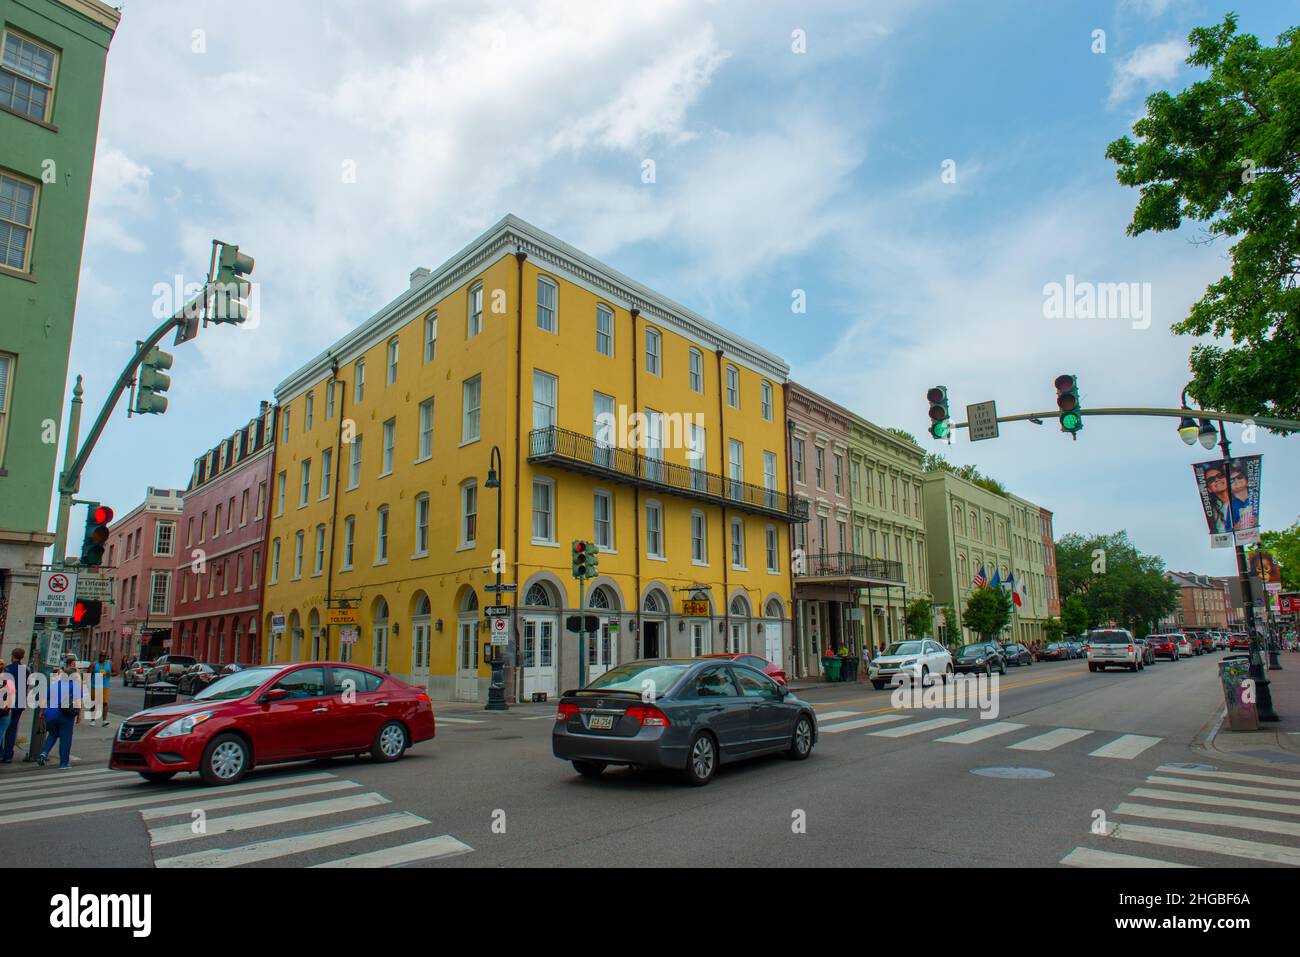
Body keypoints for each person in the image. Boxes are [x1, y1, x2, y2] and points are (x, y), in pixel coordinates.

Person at [37, 659, 83, 768]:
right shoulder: (74, 686)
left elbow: (44, 700)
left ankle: (44, 753)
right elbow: (78, 702)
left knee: (53, 734)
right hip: (65, 715)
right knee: (65, 738)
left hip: (50, 715)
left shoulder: (54, 685)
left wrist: (42, 712)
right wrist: (79, 715)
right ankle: (64, 763)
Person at [2, 648, 29, 763]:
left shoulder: (7, 669)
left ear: (13, 656)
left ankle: (2, 753)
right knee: (13, 728)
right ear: (22, 657)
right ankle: (8, 755)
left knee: (3, 728)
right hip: (20, 702)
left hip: (8, 702)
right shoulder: (26, 670)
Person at [92, 652, 113, 727]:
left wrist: (109, 674)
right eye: (101, 655)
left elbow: (116, 672)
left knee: (105, 703)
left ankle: (104, 720)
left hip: (106, 686)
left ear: (106, 657)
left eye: (103, 656)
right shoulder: (94, 664)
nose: (102, 657)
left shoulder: (110, 664)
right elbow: (88, 674)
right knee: (95, 703)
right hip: (95, 685)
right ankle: (93, 719)